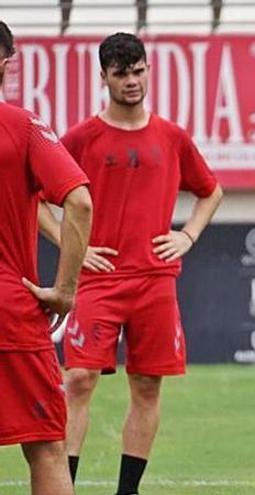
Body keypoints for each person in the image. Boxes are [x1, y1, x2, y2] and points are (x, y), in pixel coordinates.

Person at [38, 32, 223, 495]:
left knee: (146, 386)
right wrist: (71, 245)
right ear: (103, 77)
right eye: (121, 73)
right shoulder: (81, 137)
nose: (132, 81)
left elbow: (210, 190)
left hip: (155, 281)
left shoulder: (171, 136)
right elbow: (36, 198)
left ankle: (128, 492)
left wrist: (188, 235)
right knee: (78, 379)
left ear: (147, 69)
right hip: (98, 280)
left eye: (138, 71)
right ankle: (66, 486)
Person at [0, 20, 93, 495]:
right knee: (47, 448)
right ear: (5, 63)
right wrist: (66, 290)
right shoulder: (20, 125)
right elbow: (78, 200)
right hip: (10, 314)